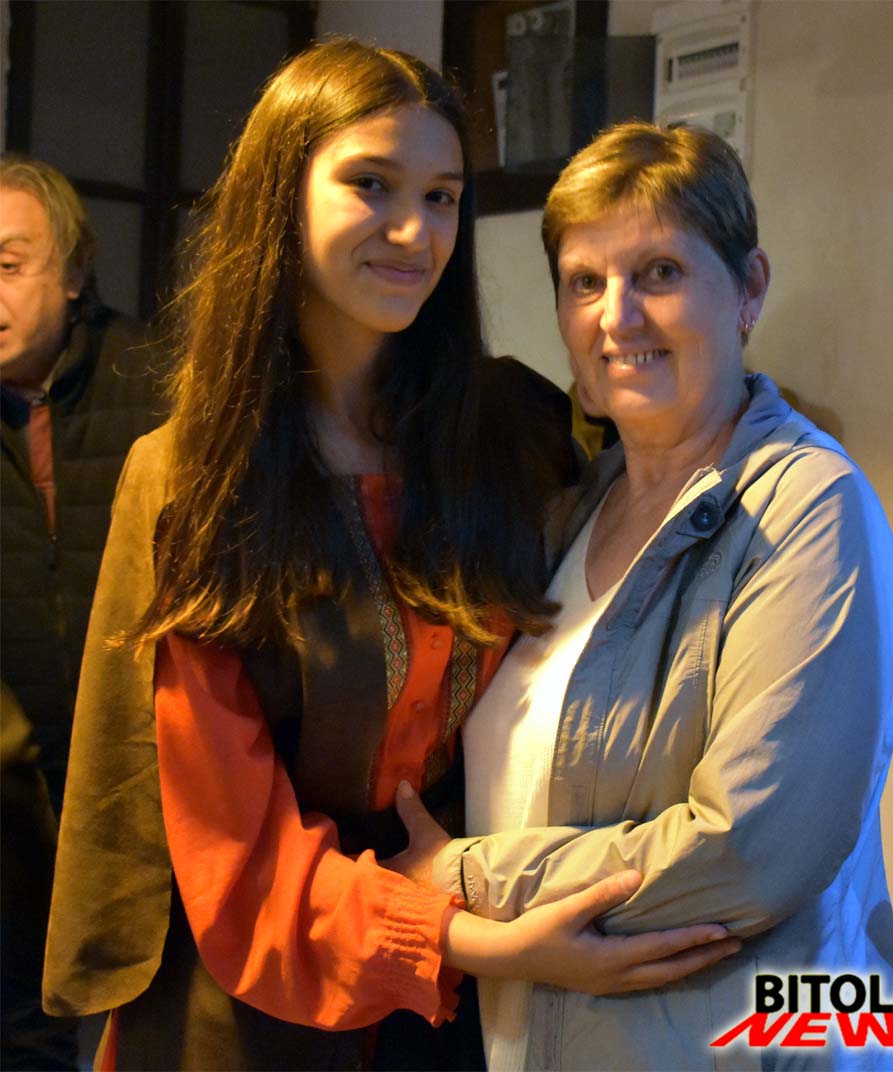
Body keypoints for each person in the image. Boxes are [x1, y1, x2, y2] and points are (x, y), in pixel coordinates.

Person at [41, 43, 741, 1072]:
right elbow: (231, 836)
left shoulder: (513, 431)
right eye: (371, 184)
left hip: (475, 985)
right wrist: (473, 942)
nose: (416, 231)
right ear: (282, 196)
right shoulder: (196, 474)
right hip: (256, 998)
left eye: (442, 196)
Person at [395, 122, 893, 1071]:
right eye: (584, 283)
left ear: (749, 287)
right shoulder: (567, 511)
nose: (617, 317)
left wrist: (461, 877)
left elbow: (748, 849)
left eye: (659, 273)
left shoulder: (810, 508)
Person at [1, 156, 164, 1070]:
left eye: (8, 264)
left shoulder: (156, 380)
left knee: (142, 1015)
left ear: (70, 272)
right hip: (10, 793)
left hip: (138, 769)